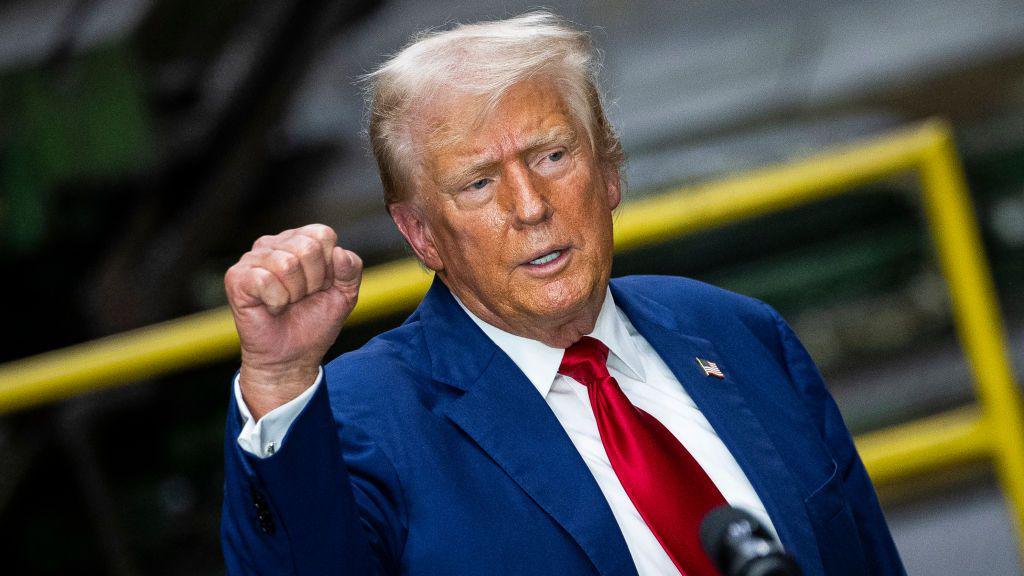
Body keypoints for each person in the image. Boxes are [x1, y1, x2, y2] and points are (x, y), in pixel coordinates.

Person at [220, 12, 905, 576]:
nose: (530, 205)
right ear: (422, 235)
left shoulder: (736, 331)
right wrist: (278, 378)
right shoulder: (359, 422)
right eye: (478, 183)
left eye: (552, 156)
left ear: (610, 171)